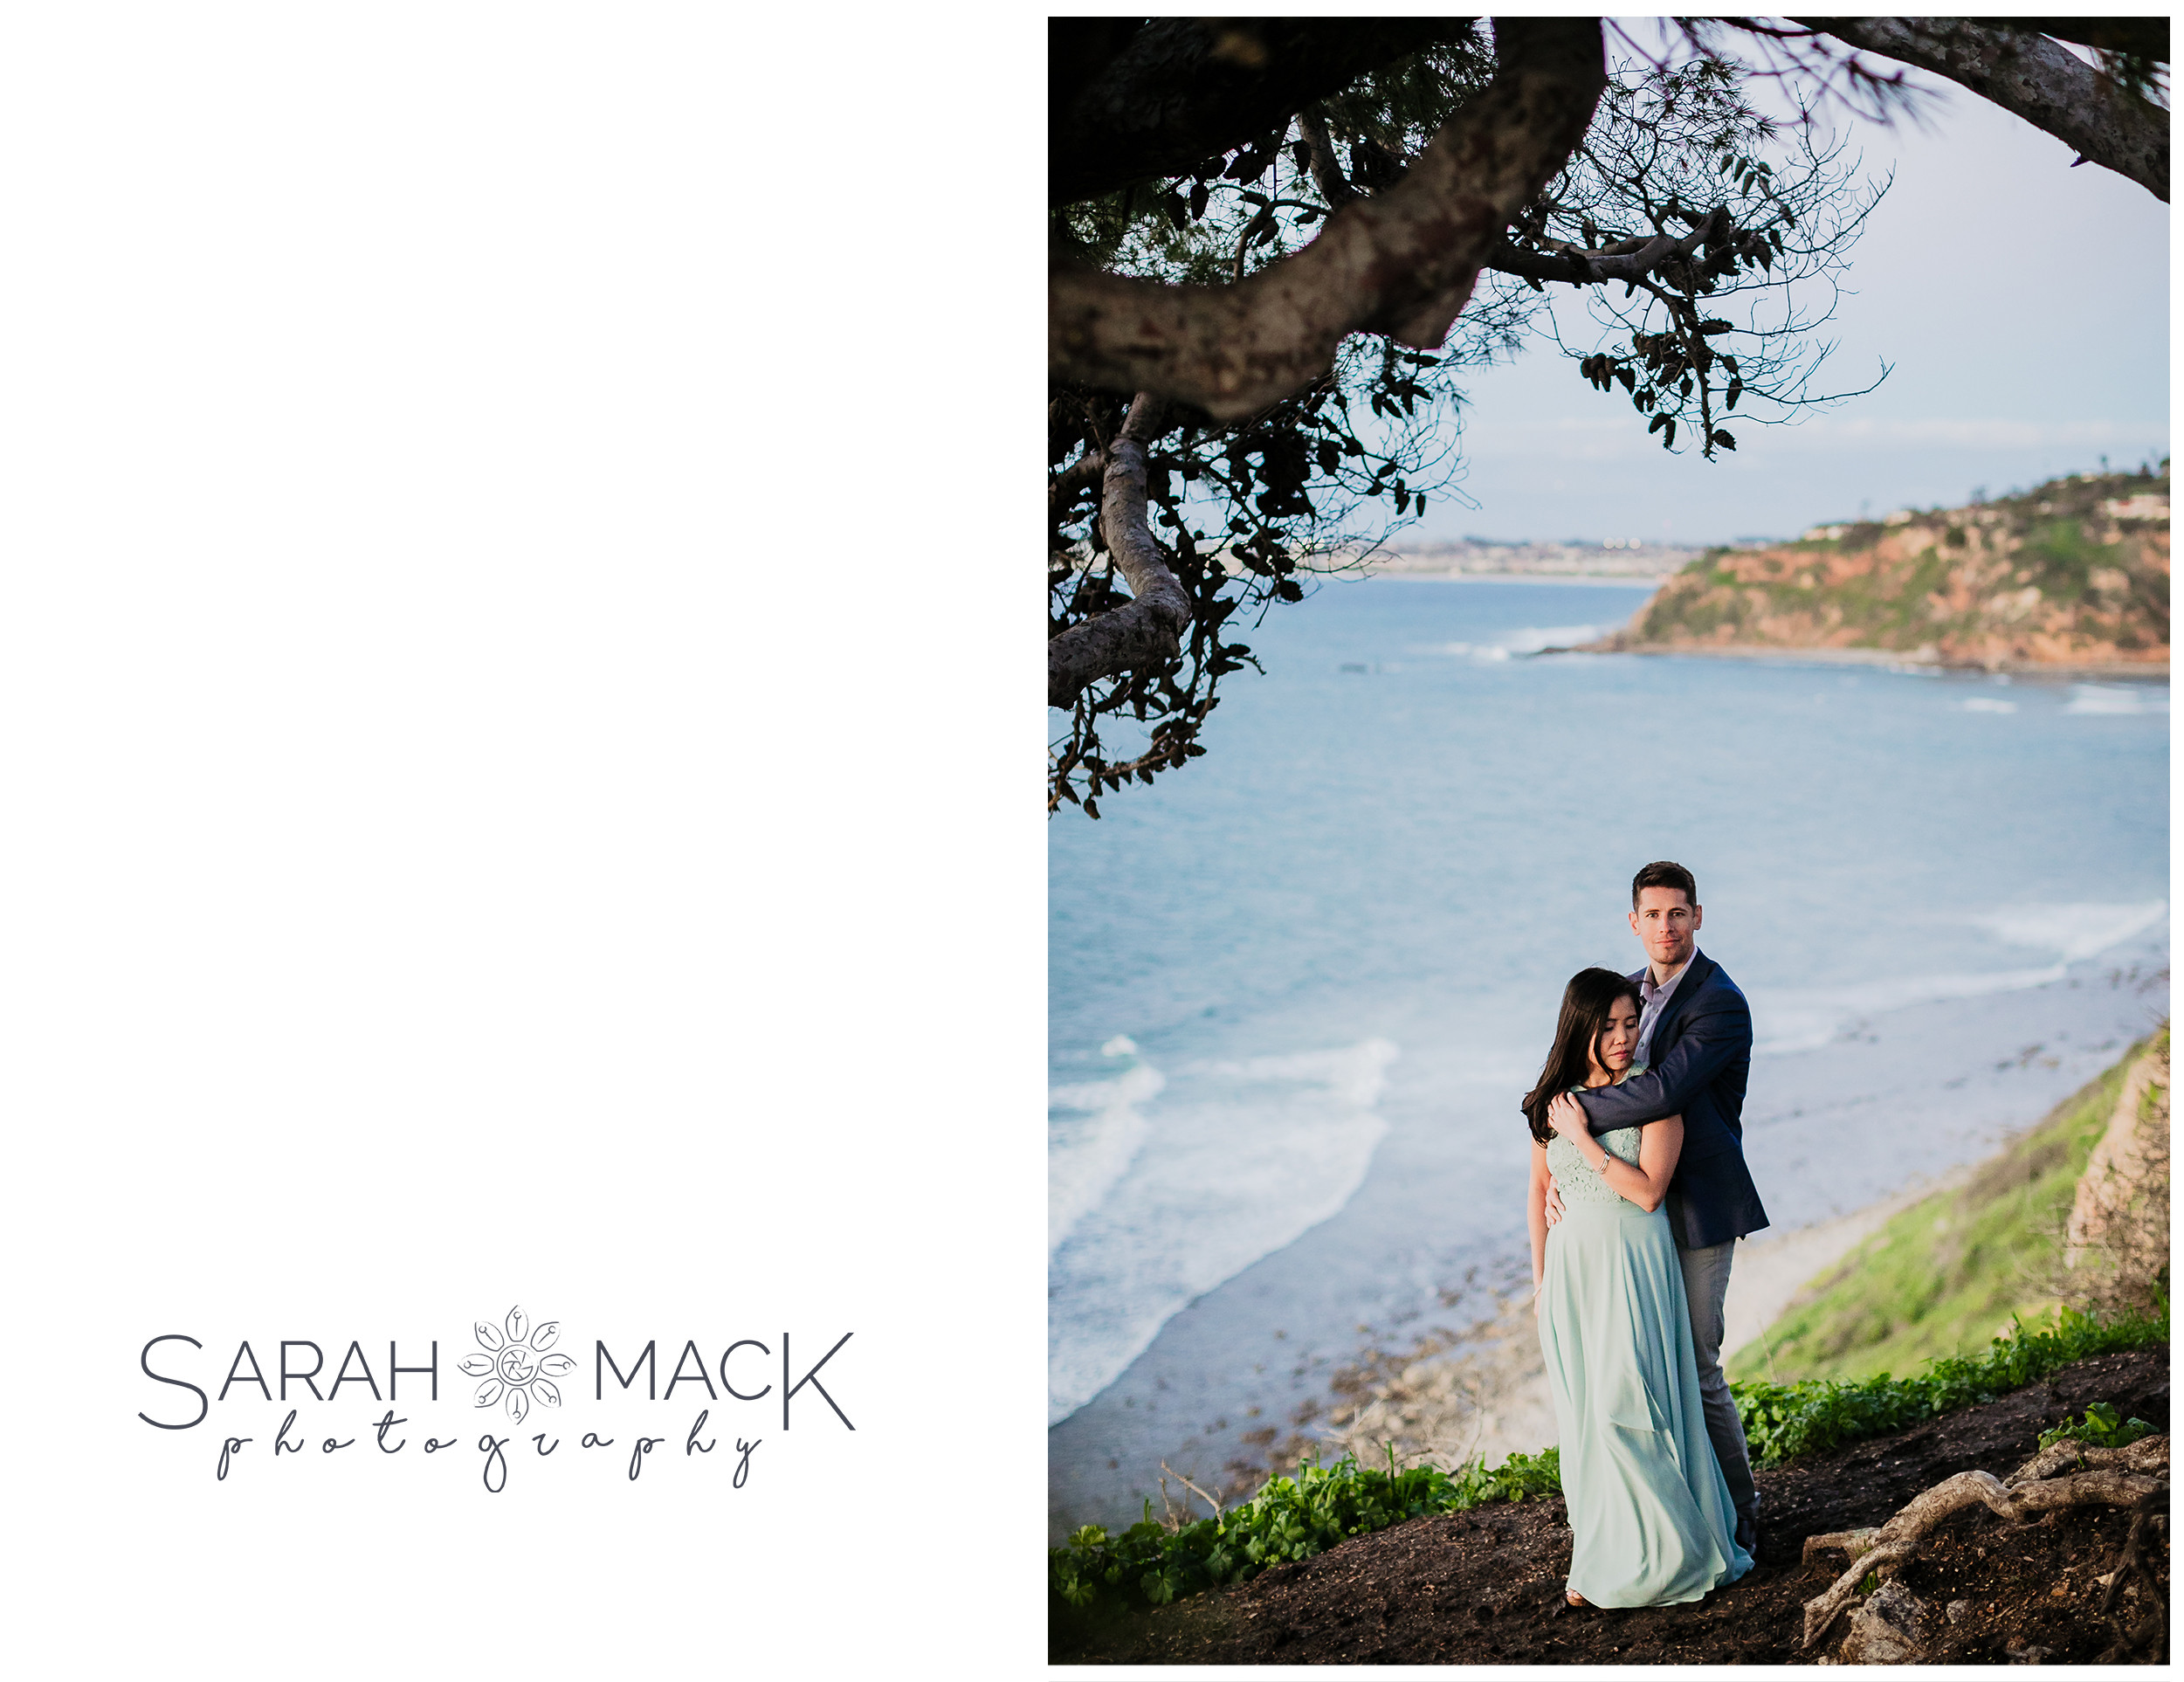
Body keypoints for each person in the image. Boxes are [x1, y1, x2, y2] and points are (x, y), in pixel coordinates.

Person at [1544, 860, 1769, 1558]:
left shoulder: (1718, 1001)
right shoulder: (1631, 993)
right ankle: (1665, 1512)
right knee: (1642, 1369)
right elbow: (1606, 1059)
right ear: (1633, 921)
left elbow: (1661, 1089)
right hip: (1631, 1216)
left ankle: (1740, 1513)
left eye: (1678, 913)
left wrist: (1561, 1118)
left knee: (1696, 1367)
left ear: (1697, 917)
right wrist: (1568, 1169)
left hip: (1694, 1204)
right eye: (1652, 915)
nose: (1665, 927)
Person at [1526, 967, 1752, 1608]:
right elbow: (1538, 1193)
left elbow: (1649, 1192)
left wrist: (1583, 1144)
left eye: (1631, 1024)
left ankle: (1671, 1552)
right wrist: (1541, 1281)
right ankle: (1601, 1556)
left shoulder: (1653, 1096)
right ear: (1580, 1029)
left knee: (1633, 1404)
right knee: (1588, 1418)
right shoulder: (1556, 1100)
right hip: (1574, 1275)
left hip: (1633, 1260)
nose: (1623, 1038)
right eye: (1608, 1027)